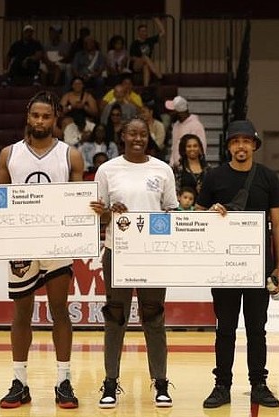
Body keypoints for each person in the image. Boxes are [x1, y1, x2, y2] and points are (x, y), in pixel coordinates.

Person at [0, 91, 85, 409]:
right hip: (21, 243)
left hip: (57, 242)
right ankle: (19, 381)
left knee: (60, 310)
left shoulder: (70, 155)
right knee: (21, 313)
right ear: (27, 116)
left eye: (46, 116)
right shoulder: (9, 154)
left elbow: (79, 203)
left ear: (55, 118)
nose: (40, 121)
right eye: (36, 116)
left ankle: (63, 380)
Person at [89, 117, 178, 409]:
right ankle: (111, 383)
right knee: (116, 318)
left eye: (143, 134)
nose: (138, 138)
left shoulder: (162, 169)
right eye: (133, 133)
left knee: (154, 318)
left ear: (149, 137)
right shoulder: (107, 170)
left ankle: (161, 383)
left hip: (153, 254)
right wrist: (110, 213)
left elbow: (171, 215)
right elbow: (97, 215)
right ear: (123, 135)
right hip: (118, 251)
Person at [198, 120, 279, 409]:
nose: (241, 146)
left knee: (256, 328)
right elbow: (197, 220)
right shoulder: (213, 178)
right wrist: (211, 213)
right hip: (224, 266)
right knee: (225, 327)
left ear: (254, 145)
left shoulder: (268, 177)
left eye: (246, 141)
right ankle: (222, 385)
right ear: (228, 147)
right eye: (236, 141)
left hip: (259, 266)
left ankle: (258, 384)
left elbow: (277, 224)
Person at [166, 96, 207, 167]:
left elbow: (201, 148)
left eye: (173, 111)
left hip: (190, 167)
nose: (170, 114)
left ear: (180, 112)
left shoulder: (196, 125)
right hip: (176, 166)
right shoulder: (176, 125)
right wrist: (172, 164)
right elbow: (174, 147)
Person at [129, 18, 166, 86]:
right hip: (136, 64)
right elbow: (132, 57)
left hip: (145, 63)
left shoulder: (149, 40)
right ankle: (159, 76)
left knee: (145, 66)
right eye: (142, 31)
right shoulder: (135, 43)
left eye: (145, 31)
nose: (144, 33)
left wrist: (157, 20)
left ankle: (146, 86)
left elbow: (163, 32)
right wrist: (141, 59)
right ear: (139, 32)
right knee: (145, 57)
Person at [173, 133, 208, 197]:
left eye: (195, 146)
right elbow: (175, 191)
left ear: (200, 148)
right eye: (189, 146)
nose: (192, 149)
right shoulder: (178, 168)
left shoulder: (208, 168)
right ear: (184, 149)